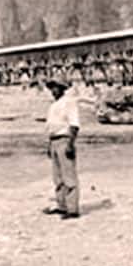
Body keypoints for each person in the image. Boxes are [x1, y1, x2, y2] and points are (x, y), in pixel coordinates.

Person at [43, 80, 81, 219]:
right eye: (51, 88)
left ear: (62, 89)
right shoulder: (53, 105)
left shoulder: (69, 102)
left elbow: (74, 125)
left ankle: (73, 209)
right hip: (54, 141)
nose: (53, 91)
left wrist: (70, 144)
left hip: (65, 139)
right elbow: (51, 127)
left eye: (56, 88)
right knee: (57, 177)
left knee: (69, 177)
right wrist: (49, 145)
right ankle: (61, 206)